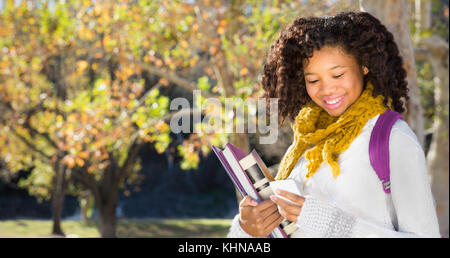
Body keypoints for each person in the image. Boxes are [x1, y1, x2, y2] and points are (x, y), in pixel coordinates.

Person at [227, 11, 441, 238]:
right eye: (313, 80)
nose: (327, 89)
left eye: (338, 75)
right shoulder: (307, 142)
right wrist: (246, 230)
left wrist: (330, 223)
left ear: (364, 66)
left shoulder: (393, 139)